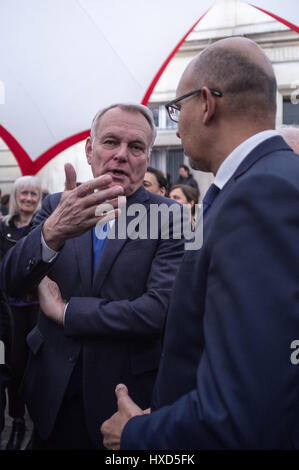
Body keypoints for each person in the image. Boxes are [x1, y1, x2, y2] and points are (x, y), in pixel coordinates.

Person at [101, 37, 299, 450]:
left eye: (176, 109)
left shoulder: (257, 193)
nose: (176, 123)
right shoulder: (266, 181)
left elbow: (244, 409)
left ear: (206, 103)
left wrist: (139, 434)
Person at [0, 103, 185, 450]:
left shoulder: (171, 216)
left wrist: (66, 312)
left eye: (135, 147)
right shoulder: (56, 204)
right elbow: (11, 281)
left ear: (148, 156)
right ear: (89, 149)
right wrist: (52, 233)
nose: (120, 156)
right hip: (50, 393)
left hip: (123, 401)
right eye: (110, 142)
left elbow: (157, 311)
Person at [0, 175, 42, 450]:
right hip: (9, 311)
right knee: (13, 367)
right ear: (15, 197)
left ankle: (39, 420)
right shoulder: (3, 227)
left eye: (33, 194)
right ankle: (17, 420)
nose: (28, 199)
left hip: (39, 310)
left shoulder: (44, 226)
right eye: (23, 194)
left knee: (37, 366)